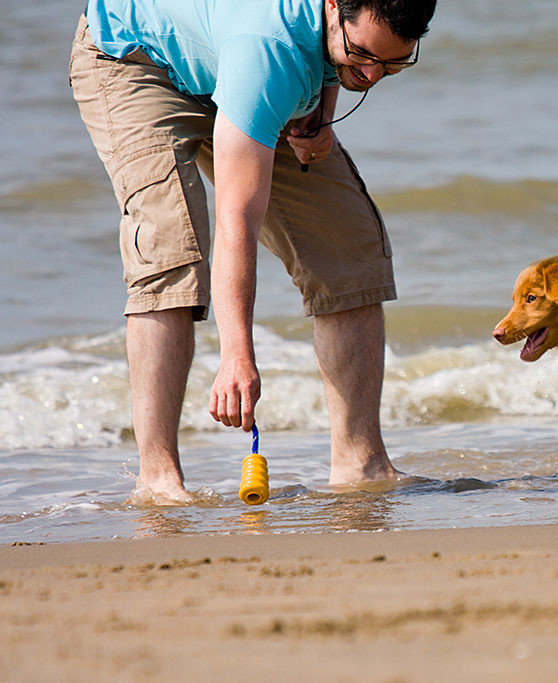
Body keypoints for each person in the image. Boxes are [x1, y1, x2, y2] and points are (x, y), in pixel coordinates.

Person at [69, 0, 437, 503]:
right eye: (362, 56)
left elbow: (338, 57)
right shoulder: (268, 51)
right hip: (136, 61)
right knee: (172, 250)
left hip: (242, 56)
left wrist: (322, 113)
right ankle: (159, 480)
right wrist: (236, 356)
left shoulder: (345, 39)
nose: (372, 75)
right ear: (333, 6)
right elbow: (237, 219)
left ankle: (361, 463)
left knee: (347, 243)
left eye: (394, 64)